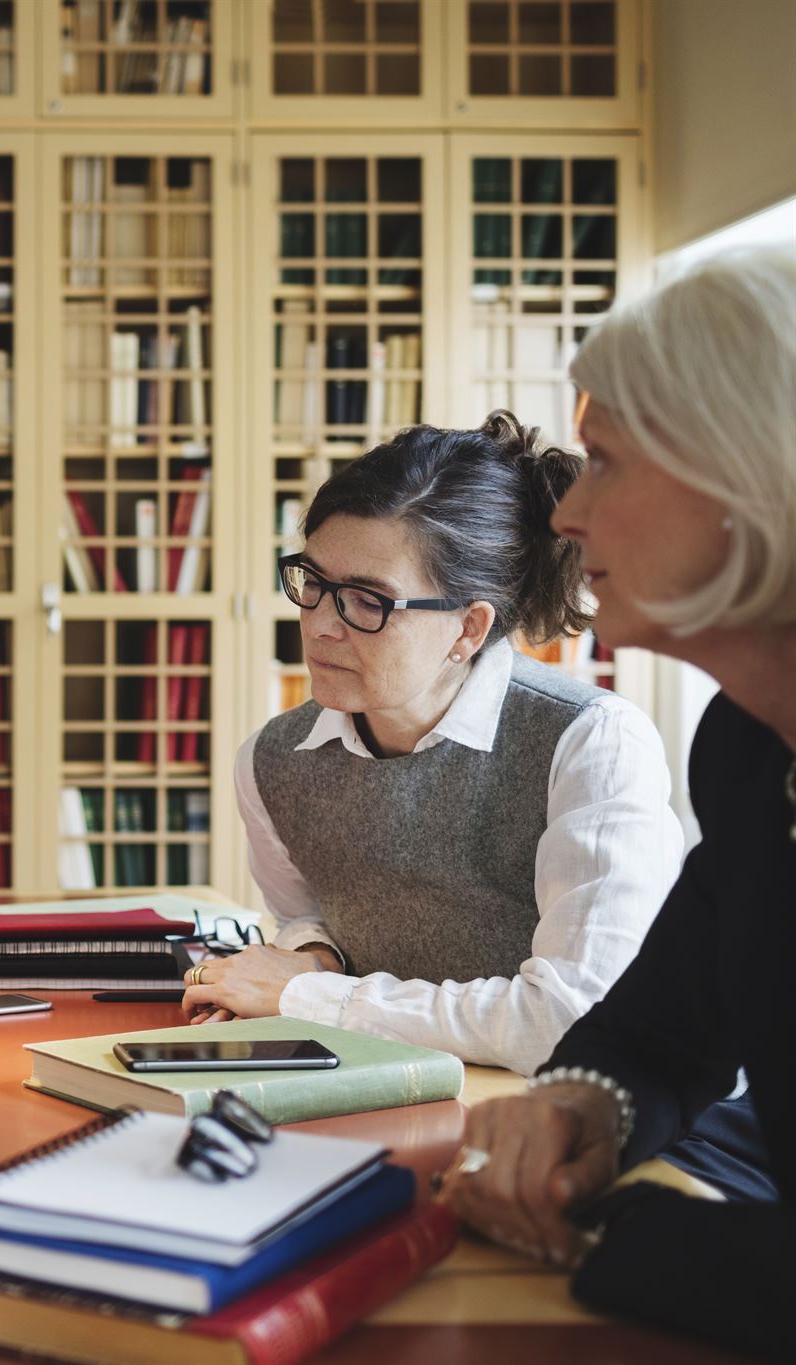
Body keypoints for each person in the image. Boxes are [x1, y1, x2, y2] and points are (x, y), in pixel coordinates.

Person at [182, 410, 769, 1198]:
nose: (319, 625)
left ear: (468, 628)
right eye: (311, 582)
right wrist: (314, 953)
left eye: (367, 601)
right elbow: (309, 915)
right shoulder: (272, 762)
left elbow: (571, 1018)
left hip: (644, 1132)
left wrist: (305, 993)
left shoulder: (591, 742)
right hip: (405, 1097)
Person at [440, 244, 795, 1353]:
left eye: (602, 462)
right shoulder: (748, 746)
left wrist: (614, 1234)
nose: (564, 517)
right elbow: (660, 1029)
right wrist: (576, 1105)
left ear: (750, 477)